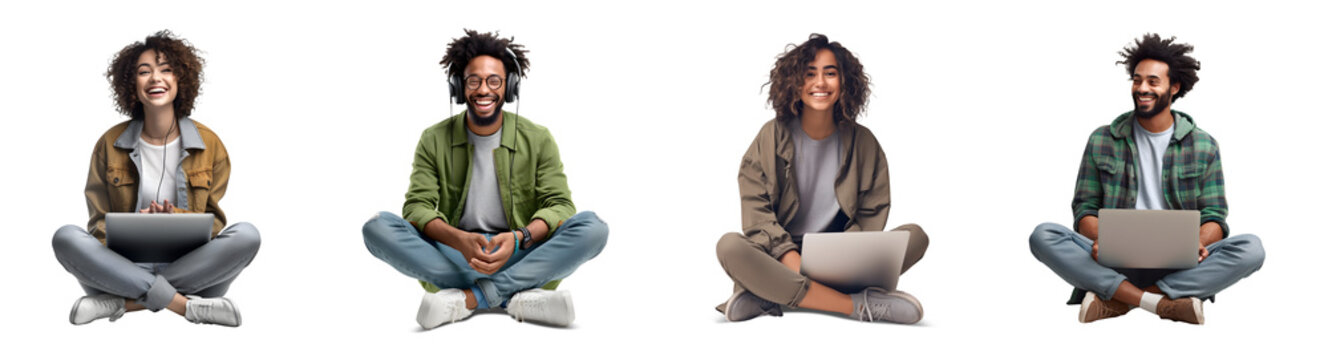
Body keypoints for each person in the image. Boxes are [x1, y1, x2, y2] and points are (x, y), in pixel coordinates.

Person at [362, 29, 608, 329]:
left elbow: (560, 206)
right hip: (457, 252)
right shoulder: (433, 138)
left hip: (520, 251)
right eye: (473, 80)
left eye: (494, 81)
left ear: (509, 87)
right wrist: (460, 240)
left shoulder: (539, 138)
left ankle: (468, 299)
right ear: (459, 86)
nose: (483, 90)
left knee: (593, 228)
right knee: (377, 228)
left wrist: (520, 238)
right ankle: (516, 297)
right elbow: (416, 208)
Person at [1028, 33, 1264, 325]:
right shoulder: (1102, 139)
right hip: (1114, 260)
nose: (1142, 88)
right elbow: (1085, 208)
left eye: (1153, 81)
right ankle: (1165, 303)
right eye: (1137, 80)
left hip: (1179, 265)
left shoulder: (1204, 145)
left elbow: (1215, 215)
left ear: (1174, 87)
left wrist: (1195, 243)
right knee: (1044, 235)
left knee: (1251, 249)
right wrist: (1104, 238)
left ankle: (1120, 300)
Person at [714, 34, 930, 324]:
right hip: (780, 254)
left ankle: (768, 293)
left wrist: (838, 260)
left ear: (845, 82)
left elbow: (871, 213)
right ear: (794, 82)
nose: (820, 83)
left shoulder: (864, 143)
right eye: (809, 74)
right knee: (730, 246)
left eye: (830, 73)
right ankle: (854, 305)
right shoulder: (770, 136)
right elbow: (757, 215)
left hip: (840, 256)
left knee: (914, 236)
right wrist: (792, 260)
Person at [52, 30, 261, 327]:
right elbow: (98, 225)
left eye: (166, 70)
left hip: (193, 270)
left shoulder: (209, 144)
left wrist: (175, 217)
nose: (155, 78)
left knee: (248, 235)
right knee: (66, 237)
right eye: (143, 71)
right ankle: (186, 307)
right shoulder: (109, 143)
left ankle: (122, 304)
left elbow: (214, 224)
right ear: (130, 84)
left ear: (180, 80)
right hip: (122, 268)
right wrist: (136, 226)